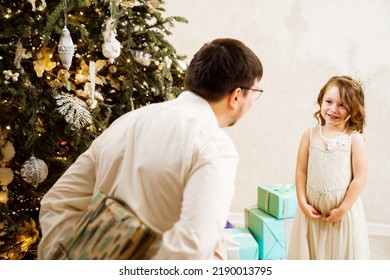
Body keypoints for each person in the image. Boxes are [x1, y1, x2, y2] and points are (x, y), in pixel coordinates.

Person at [38, 38, 263, 260]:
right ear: (236, 96)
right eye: (255, 93)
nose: (253, 102)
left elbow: (57, 201)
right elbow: (193, 246)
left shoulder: (128, 121)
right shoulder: (214, 145)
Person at [288, 75, 370, 259]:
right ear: (321, 101)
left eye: (342, 105)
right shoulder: (309, 135)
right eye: (329, 101)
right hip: (312, 207)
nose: (333, 109)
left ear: (353, 109)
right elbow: (301, 171)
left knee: (339, 253)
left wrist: (342, 209)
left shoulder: (354, 139)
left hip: (342, 209)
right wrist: (302, 202)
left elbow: (360, 178)